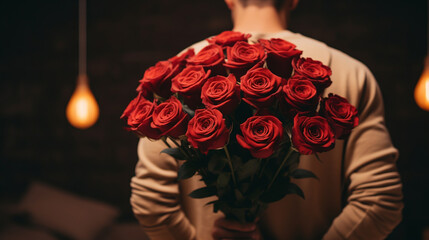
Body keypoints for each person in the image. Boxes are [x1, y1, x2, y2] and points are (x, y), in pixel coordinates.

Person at [130, 0, 404, 239]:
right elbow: (378, 202)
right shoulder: (352, 72)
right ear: (294, 0)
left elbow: (150, 203)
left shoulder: (178, 73)